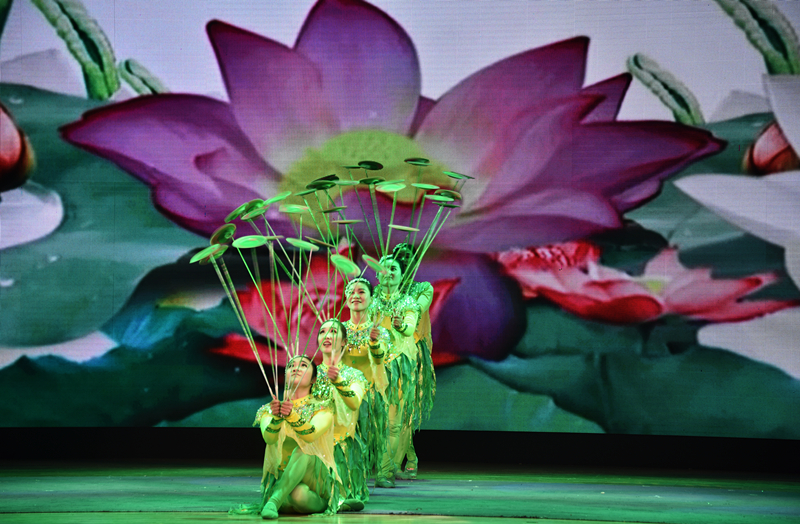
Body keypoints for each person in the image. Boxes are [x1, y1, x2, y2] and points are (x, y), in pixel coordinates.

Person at [230, 356, 339, 519]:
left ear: (313, 380)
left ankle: (274, 501)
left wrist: (292, 415)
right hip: (283, 479)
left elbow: (311, 435)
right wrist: (277, 417)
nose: (296, 368)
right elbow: (269, 438)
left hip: (313, 479)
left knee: (303, 451)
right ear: (284, 375)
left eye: (303, 365)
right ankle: (280, 496)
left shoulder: (323, 407)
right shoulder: (269, 410)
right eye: (291, 366)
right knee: (298, 495)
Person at [370, 249, 422, 488]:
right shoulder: (369, 302)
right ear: (377, 274)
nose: (389, 272)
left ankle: (385, 471)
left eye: (394, 269)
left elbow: (410, 328)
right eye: (384, 268)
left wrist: (401, 326)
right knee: (372, 422)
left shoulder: (408, 302)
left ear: (402, 275)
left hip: (399, 366)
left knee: (393, 423)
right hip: (372, 365)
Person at [313, 318, 370, 511]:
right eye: (322, 332)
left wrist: (338, 381)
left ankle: (338, 496)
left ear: (345, 341)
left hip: (341, 446)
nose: (327, 336)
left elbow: (354, 402)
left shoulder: (354, 375)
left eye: (333, 332)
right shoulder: (309, 374)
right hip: (312, 444)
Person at [340, 278, 392, 483]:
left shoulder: (379, 331)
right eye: (351, 292)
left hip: (369, 392)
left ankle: (376, 473)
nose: (356, 296)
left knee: (370, 436)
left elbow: (380, 359)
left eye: (361, 292)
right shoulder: (338, 329)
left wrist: (374, 342)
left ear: (371, 298)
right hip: (342, 392)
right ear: (346, 299)